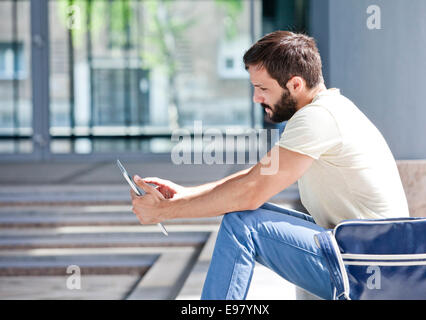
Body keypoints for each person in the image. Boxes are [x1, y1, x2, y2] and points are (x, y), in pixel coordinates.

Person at [129, 31, 410, 300]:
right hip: (364, 257)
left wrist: (166, 211)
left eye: (263, 88)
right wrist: (185, 194)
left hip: (368, 269)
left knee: (243, 224)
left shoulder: (318, 118)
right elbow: (257, 176)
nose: (256, 98)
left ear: (295, 84)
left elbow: (250, 192)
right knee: (246, 216)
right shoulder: (327, 109)